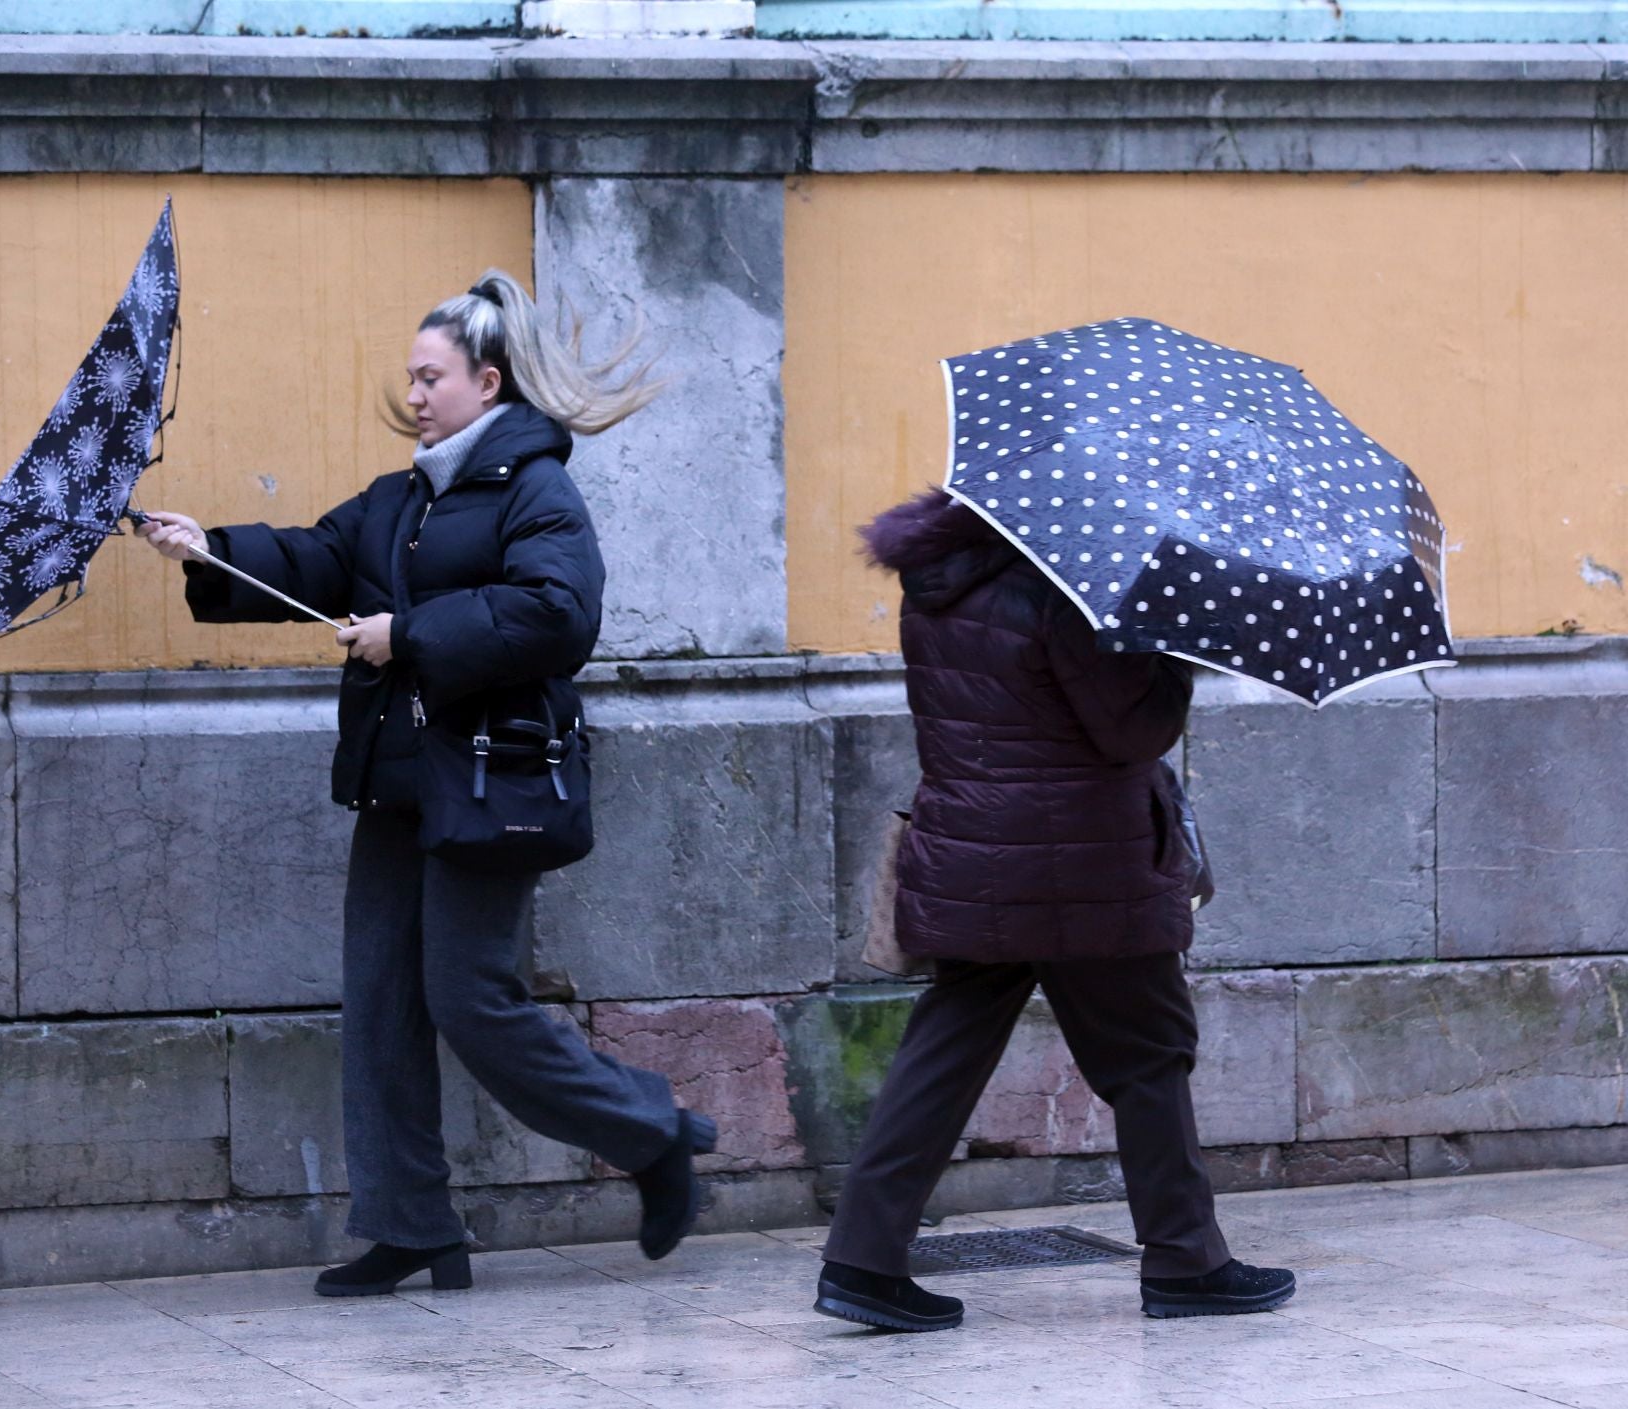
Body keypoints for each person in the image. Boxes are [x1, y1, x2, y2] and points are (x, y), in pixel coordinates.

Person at [138, 270, 714, 1298]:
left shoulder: (536, 486)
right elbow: (311, 558)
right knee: (382, 1005)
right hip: (397, 780)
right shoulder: (399, 500)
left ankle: (654, 1132)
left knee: (470, 998)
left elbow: (559, 614)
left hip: (491, 782)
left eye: (430, 375)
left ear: (487, 383)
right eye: (410, 375)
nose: (413, 392)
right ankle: (411, 1225)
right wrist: (208, 548)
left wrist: (410, 633)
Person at [813, 489, 1296, 1331]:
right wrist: (1170, 657)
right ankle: (1187, 1259)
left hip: (970, 850)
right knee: (1148, 1052)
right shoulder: (1063, 589)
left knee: (945, 1048)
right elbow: (1131, 730)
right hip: (1085, 861)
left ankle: (863, 1255)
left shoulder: (940, 581)